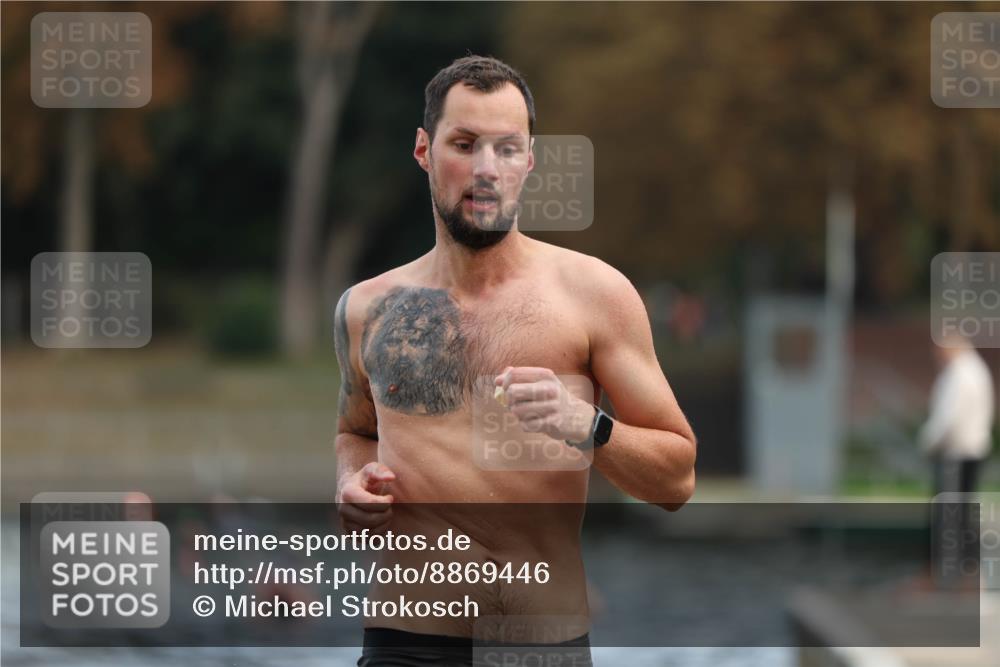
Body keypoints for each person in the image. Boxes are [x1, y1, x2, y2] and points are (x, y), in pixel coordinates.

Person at [333, 55, 697, 666]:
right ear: (424, 150)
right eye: (464, 144)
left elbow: (676, 481)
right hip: (404, 645)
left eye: (506, 148)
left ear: (529, 160)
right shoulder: (367, 308)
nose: (486, 169)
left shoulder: (594, 295)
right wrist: (350, 480)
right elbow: (355, 432)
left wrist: (586, 426)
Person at [919, 334, 996, 587]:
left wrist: (928, 443)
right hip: (969, 451)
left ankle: (948, 574)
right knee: (960, 514)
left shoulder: (961, 374)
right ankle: (963, 573)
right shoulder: (973, 370)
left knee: (950, 516)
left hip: (957, 454)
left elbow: (948, 419)